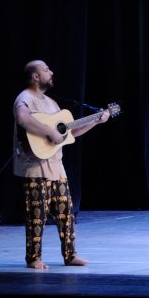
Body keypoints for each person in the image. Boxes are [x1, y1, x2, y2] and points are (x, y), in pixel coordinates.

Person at [13, 60, 110, 269]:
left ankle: (70, 255)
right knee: (37, 214)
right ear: (36, 76)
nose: (51, 72)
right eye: (46, 69)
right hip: (35, 166)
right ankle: (33, 258)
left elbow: (69, 133)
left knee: (66, 212)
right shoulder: (25, 98)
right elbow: (23, 118)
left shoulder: (51, 103)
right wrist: (49, 131)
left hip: (57, 166)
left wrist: (95, 120)